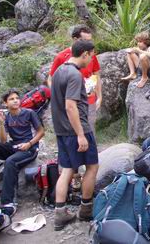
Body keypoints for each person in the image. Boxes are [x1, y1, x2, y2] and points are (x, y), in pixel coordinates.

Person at [50, 40, 99, 231]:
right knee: (92, 167)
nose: (92, 59)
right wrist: (80, 134)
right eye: (92, 55)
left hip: (61, 130)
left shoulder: (59, 71)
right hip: (77, 130)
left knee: (68, 169)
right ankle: (86, 210)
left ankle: (60, 213)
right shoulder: (74, 75)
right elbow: (70, 106)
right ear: (85, 54)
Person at [0, 89, 44, 216]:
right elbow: (3, 141)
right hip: (14, 146)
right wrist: (1, 123)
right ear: (5, 103)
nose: (15, 101)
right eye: (11, 99)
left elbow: (41, 132)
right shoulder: (7, 116)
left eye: (16, 98)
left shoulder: (29, 113)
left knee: (10, 162)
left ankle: (8, 203)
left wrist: (29, 143)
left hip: (30, 148)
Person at [47, 25, 102, 134]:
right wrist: (60, 97)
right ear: (75, 39)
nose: (88, 43)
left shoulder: (91, 54)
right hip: (70, 100)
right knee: (72, 132)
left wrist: (99, 97)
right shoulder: (61, 57)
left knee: (90, 130)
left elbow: (96, 75)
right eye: (84, 40)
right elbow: (51, 79)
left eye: (89, 40)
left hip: (88, 98)